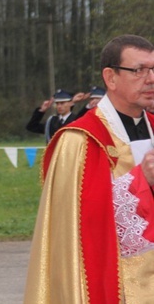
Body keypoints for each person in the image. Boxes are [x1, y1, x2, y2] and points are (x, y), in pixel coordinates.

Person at [24, 34, 154, 303]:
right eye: (139, 70)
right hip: (114, 283)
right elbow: (80, 225)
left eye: (153, 69)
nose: (150, 78)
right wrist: (143, 180)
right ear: (111, 77)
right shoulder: (80, 140)